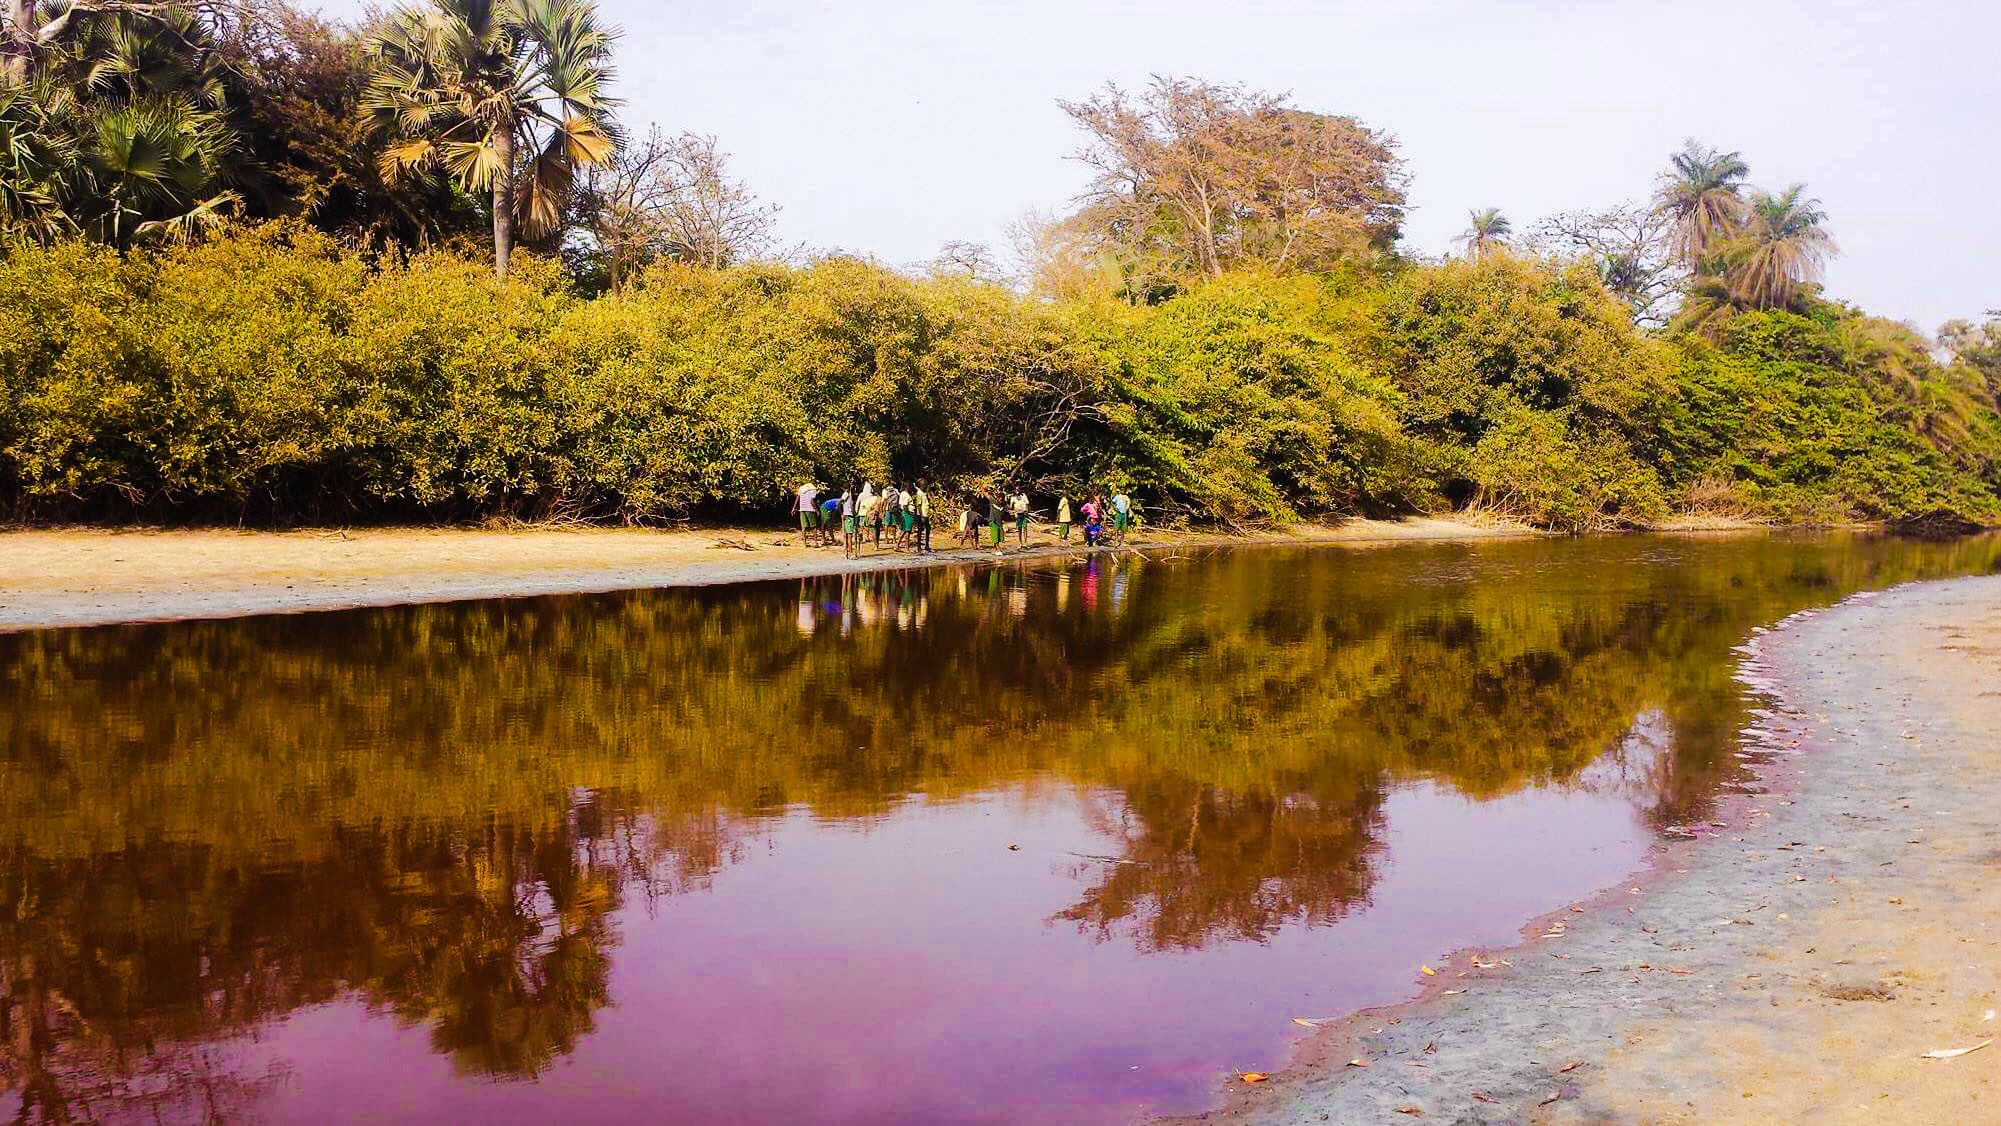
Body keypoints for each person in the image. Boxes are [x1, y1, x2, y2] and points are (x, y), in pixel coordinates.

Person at [795, 482, 820, 547]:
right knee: (814, 527)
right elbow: (812, 501)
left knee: (804, 527)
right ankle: (815, 542)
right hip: (810, 510)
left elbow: (797, 499)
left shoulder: (801, 489)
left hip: (802, 509)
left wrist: (794, 508)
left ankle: (804, 543)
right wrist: (817, 510)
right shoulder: (813, 489)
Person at [914, 484, 932, 552]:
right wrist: (921, 515)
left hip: (926, 514)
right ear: (922, 485)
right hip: (922, 514)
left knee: (928, 529)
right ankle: (919, 547)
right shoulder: (919, 493)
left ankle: (927, 546)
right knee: (920, 530)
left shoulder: (923, 493)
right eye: (925, 485)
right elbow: (918, 505)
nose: (926, 486)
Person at [841, 489, 860, 557]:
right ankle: (850, 552)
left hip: (847, 516)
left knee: (846, 536)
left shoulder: (847, 497)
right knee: (850, 536)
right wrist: (855, 514)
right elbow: (851, 508)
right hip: (849, 517)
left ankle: (846, 552)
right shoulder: (847, 496)